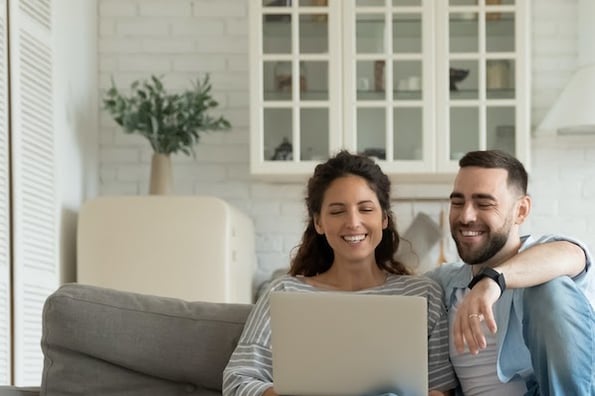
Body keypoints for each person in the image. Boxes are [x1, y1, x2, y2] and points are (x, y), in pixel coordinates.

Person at [223, 150, 458, 396]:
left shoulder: (423, 295)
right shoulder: (284, 293)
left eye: (366, 209)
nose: (353, 222)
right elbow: (238, 380)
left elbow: (440, 388)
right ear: (319, 222)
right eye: (337, 211)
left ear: (384, 219)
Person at [427, 149, 595, 395]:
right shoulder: (443, 283)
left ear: (521, 210)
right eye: (457, 202)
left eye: (484, 203)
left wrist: (493, 280)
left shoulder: (544, 259)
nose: (466, 216)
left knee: (551, 287)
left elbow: (573, 254)